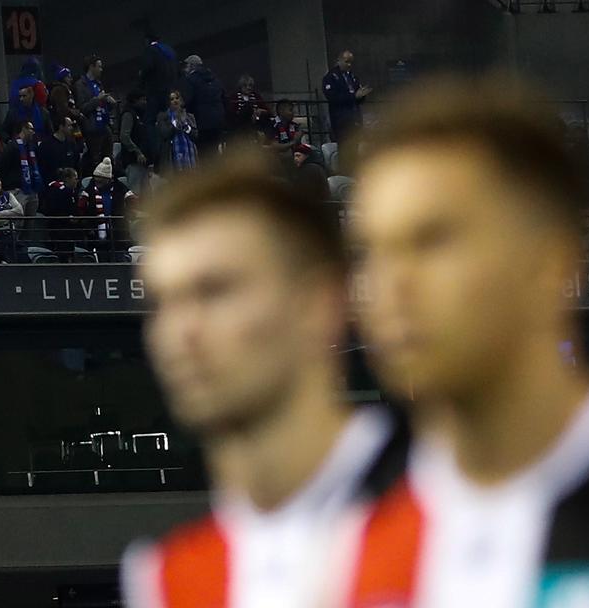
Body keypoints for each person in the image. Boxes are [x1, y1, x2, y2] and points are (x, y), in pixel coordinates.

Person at [346, 76, 589, 608]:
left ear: (549, 259)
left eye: (434, 241)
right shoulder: (347, 526)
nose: (392, 283)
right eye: (374, 249)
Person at [122, 155, 403, 608]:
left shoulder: (461, 517)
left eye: (215, 291)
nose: (181, 332)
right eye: (162, 303)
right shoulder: (166, 577)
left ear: (318, 304)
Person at [76, 158, 134, 261]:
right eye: (96, 178)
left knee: (119, 259)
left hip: (117, 233)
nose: (97, 181)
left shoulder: (119, 187)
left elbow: (132, 200)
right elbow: (81, 207)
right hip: (96, 234)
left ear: (108, 179)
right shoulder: (89, 190)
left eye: (101, 178)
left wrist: (127, 213)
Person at [75, 55, 117, 177]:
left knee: (109, 159)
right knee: (96, 162)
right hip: (92, 129)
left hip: (104, 125)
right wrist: (97, 100)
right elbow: (82, 108)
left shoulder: (99, 84)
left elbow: (102, 104)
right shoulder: (80, 85)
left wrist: (109, 103)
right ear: (91, 67)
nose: (101, 69)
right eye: (99, 66)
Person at [322, 49, 371, 144]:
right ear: (338, 61)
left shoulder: (352, 77)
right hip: (341, 120)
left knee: (355, 148)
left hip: (354, 118)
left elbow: (357, 96)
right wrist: (353, 96)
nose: (349, 65)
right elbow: (332, 97)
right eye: (346, 62)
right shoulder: (330, 77)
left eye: (351, 62)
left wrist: (362, 95)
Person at [180, 55, 226, 154]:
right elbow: (224, 97)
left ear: (192, 66)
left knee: (204, 153)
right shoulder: (214, 78)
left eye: (186, 66)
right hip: (218, 120)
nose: (185, 69)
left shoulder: (191, 80)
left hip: (201, 122)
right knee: (215, 151)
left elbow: (189, 100)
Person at [138, 29, 179, 140]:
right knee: (171, 116)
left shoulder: (151, 50)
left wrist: (141, 79)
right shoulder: (169, 50)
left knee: (149, 120)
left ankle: (156, 148)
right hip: (171, 90)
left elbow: (147, 68)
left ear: (147, 41)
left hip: (156, 91)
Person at [0, 121, 43, 217]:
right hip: (17, 190)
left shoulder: (31, 147)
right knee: (18, 222)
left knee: (31, 222)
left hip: (32, 189)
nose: (33, 132)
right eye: (31, 129)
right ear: (24, 129)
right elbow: (3, 167)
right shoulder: (12, 147)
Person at [38, 114, 83, 191]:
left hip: (70, 188)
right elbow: (43, 167)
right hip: (52, 188)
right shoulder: (46, 145)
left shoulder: (71, 144)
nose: (71, 128)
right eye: (69, 126)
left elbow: (77, 164)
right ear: (61, 127)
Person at [118, 91, 152, 194]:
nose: (145, 102)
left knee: (147, 196)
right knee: (135, 194)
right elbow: (124, 136)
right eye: (143, 99)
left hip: (143, 163)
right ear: (135, 100)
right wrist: (137, 152)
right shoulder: (128, 114)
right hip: (133, 161)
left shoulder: (141, 116)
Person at [157, 90, 198, 174]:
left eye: (177, 98)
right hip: (173, 155)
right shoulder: (163, 116)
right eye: (172, 99)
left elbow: (195, 135)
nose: (175, 101)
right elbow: (165, 134)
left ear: (181, 100)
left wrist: (186, 127)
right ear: (169, 102)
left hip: (189, 154)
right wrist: (175, 124)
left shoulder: (189, 116)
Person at [228, 74, 267, 138]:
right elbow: (231, 113)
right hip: (239, 126)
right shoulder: (234, 96)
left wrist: (259, 111)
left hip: (256, 124)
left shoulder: (256, 96)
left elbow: (266, 110)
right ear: (240, 86)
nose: (248, 88)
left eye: (250, 85)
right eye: (245, 85)